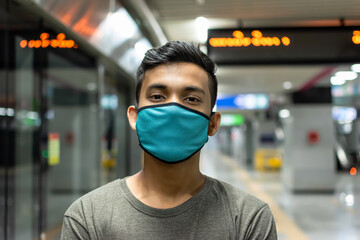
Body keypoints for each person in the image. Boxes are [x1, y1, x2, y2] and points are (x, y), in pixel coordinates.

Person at [60, 41, 277, 239]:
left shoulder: (249, 218)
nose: (174, 108)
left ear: (212, 124)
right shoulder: (87, 218)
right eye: (157, 97)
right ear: (135, 118)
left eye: (191, 99)